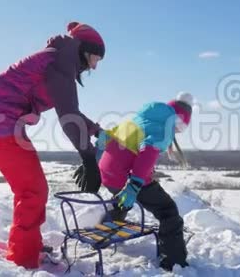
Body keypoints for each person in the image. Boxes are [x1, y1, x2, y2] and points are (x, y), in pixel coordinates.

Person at [0, 22, 105, 269]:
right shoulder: (62, 61)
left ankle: (28, 245)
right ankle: (24, 258)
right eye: (96, 58)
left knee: (32, 187)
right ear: (85, 49)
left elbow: (71, 111)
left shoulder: (59, 58)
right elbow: (68, 116)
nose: (94, 66)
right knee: (32, 190)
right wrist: (88, 157)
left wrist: (96, 131)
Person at [77, 92, 193, 271]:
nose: (177, 132)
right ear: (177, 121)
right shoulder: (163, 129)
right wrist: (135, 184)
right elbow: (147, 151)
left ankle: (106, 232)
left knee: (123, 201)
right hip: (125, 177)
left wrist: (91, 160)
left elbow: (107, 138)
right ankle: (174, 262)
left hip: (108, 175)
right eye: (180, 128)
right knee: (168, 211)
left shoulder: (139, 118)